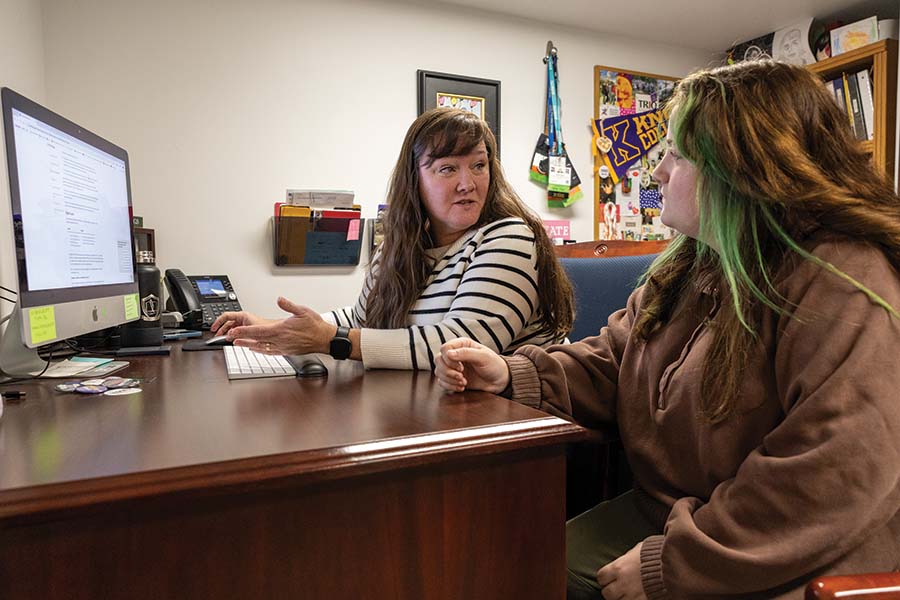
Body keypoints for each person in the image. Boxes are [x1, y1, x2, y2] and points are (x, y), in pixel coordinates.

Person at [434, 60, 900, 599]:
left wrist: (675, 562)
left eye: (677, 155)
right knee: (513, 559)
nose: (657, 173)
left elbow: (828, 478)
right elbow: (615, 361)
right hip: (672, 515)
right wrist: (513, 374)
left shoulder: (844, 281)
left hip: (783, 554)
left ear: (742, 169)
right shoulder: (693, 264)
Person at [211, 108, 574, 370]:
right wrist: (272, 327)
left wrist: (329, 340)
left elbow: (457, 347)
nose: (469, 183)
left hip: (523, 422)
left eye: (479, 165)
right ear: (414, 181)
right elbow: (360, 317)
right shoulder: (399, 248)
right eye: (448, 168)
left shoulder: (508, 238)